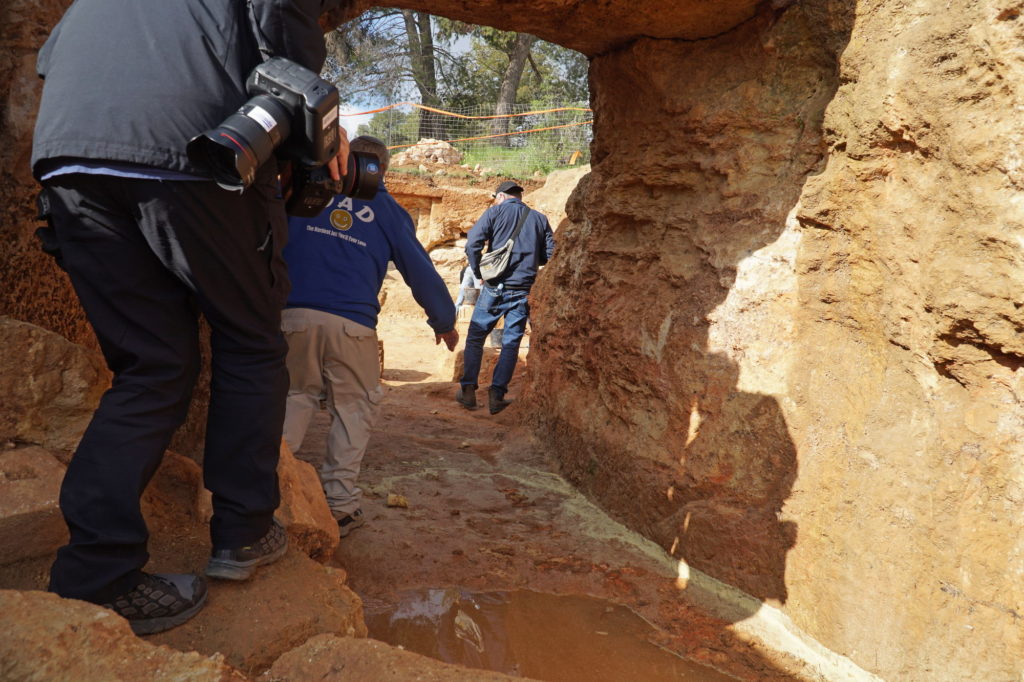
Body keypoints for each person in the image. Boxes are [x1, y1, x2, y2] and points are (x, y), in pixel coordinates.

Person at [30, 0, 348, 635]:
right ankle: (244, 532)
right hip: (194, 150)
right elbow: (288, 46)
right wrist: (325, 138)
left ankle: (95, 577)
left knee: (152, 368)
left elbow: (49, 63)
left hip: (66, 159)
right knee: (252, 341)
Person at [281, 135, 458, 537]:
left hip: (290, 317)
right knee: (353, 409)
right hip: (352, 325)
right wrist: (444, 321)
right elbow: (419, 270)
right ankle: (340, 506)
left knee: (292, 399)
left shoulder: (300, 188)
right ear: (383, 170)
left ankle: (271, 497)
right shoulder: (387, 208)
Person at [457, 181, 555, 415]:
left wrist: (479, 272)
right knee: (510, 342)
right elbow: (550, 255)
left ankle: (468, 390)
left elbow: (472, 244)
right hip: (523, 288)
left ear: (501, 196)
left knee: (476, 337)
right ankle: (497, 395)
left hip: (493, 287)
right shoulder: (539, 219)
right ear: (520, 197)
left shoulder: (495, 211)